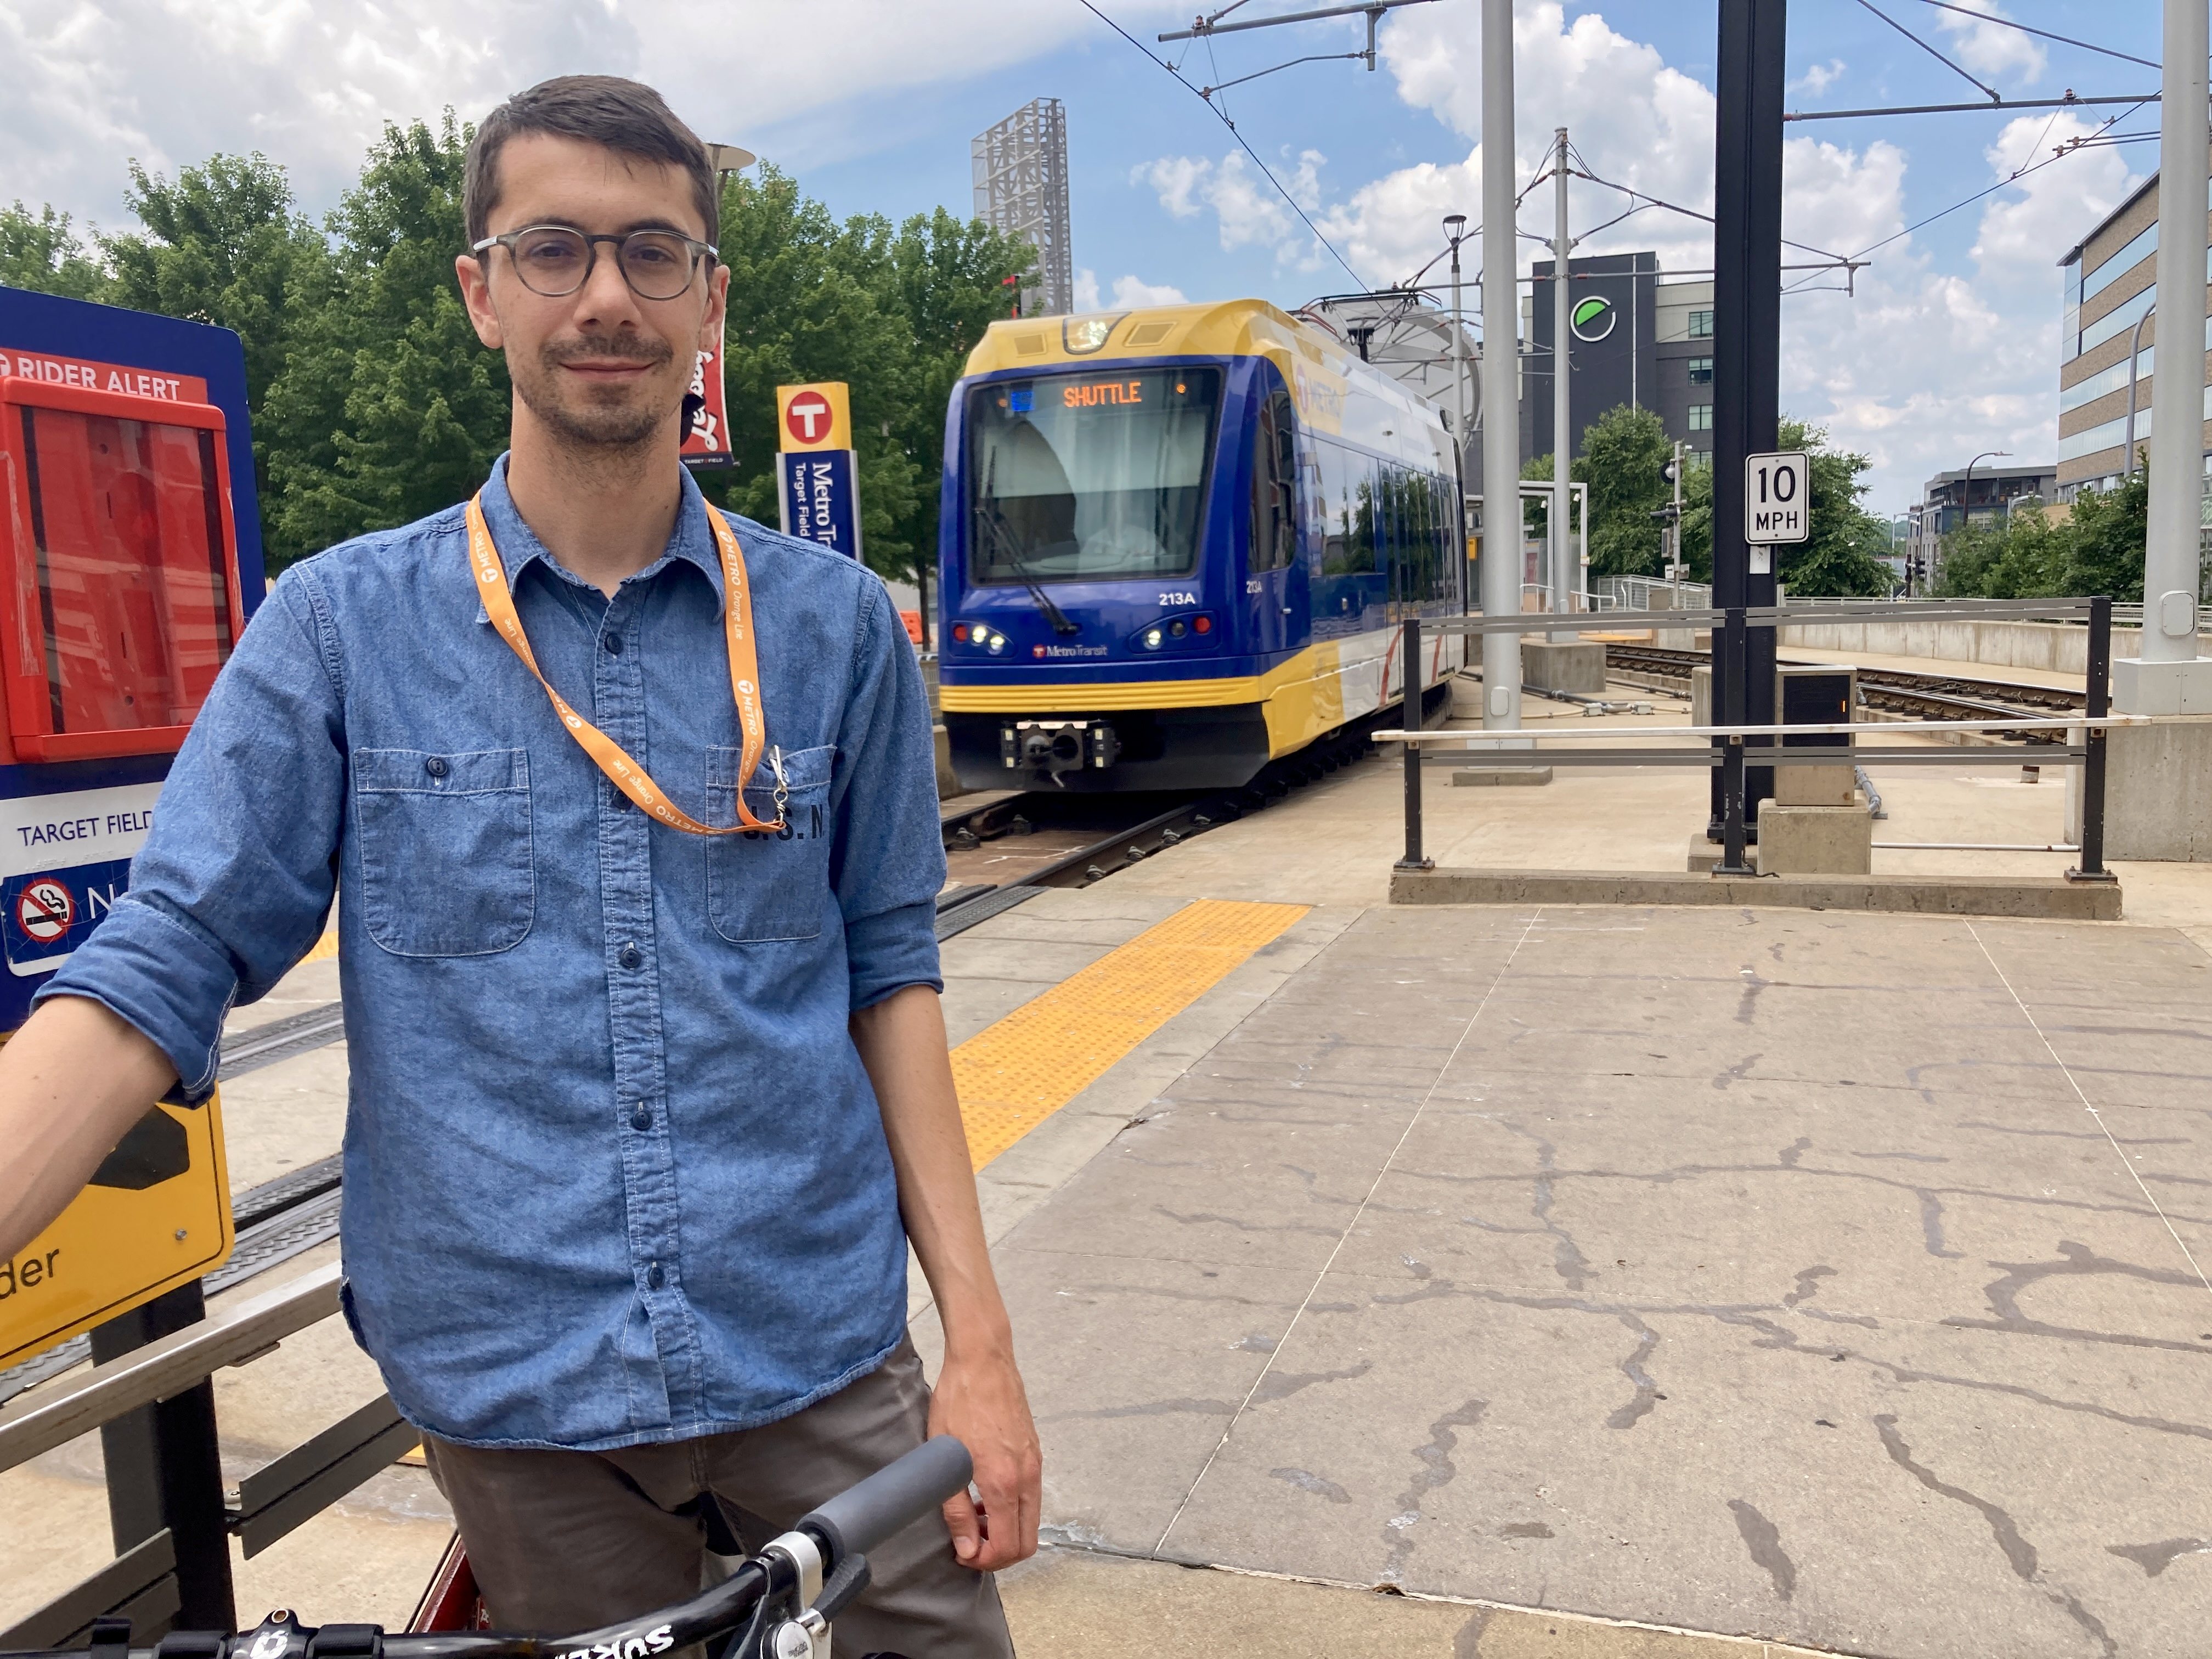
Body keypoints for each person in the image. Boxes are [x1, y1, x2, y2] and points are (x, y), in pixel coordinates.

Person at [0, 75, 1038, 1658]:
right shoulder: (343, 634)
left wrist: (981, 1344)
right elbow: (168, 953)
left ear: (712, 303)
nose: (607, 295)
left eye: (653, 253)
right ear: (482, 292)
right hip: (523, 1405)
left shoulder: (833, 631)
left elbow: (891, 977)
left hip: (823, 1358)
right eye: (553, 249)